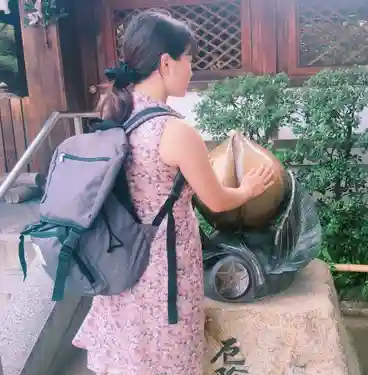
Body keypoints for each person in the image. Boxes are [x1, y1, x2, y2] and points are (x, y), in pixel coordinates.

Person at [72, 9, 275, 375]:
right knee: (168, 362)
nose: (192, 71)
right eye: (189, 61)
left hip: (120, 267)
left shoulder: (115, 113)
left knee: (130, 362)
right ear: (166, 63)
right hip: (164, 275)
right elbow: (216, 199)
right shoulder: (174, 132)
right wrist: (247, 189)